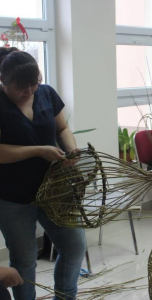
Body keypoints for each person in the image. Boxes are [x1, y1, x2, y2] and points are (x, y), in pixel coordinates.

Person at [0, 48, 86, 300]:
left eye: (32, 85)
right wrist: (38, 150)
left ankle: (65, 297)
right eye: (19, 87)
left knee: (73, 247)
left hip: (54, 190)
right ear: (3, 81)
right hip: (13, 196)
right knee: (24, 262)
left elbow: (63, 128)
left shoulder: (46, 93)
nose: (27, 92)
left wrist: (71, 149)